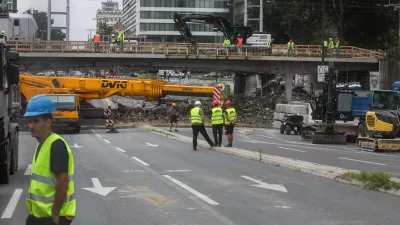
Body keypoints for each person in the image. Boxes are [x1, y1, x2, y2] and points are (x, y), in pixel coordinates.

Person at [24, 95, 75, 225]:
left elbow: (63, 182)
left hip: (52, 217)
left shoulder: (56, 145)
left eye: (36, 121)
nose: (31, 126)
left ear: (48, 122)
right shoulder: (42, 144)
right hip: (39, 215)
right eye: (29, 121)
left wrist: (55, 213)